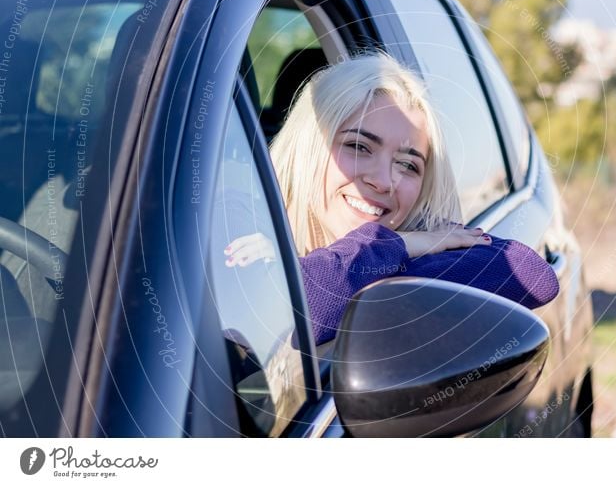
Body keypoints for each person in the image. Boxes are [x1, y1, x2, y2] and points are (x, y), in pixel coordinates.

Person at [224, 52, 559, 345]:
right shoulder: (231, 217)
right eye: (358, 147)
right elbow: (298, 310)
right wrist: (397, 247)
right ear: (308, 147)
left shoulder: (423, 237)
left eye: (408, 165)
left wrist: (395, 246)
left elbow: (530, 275)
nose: (384, 181)